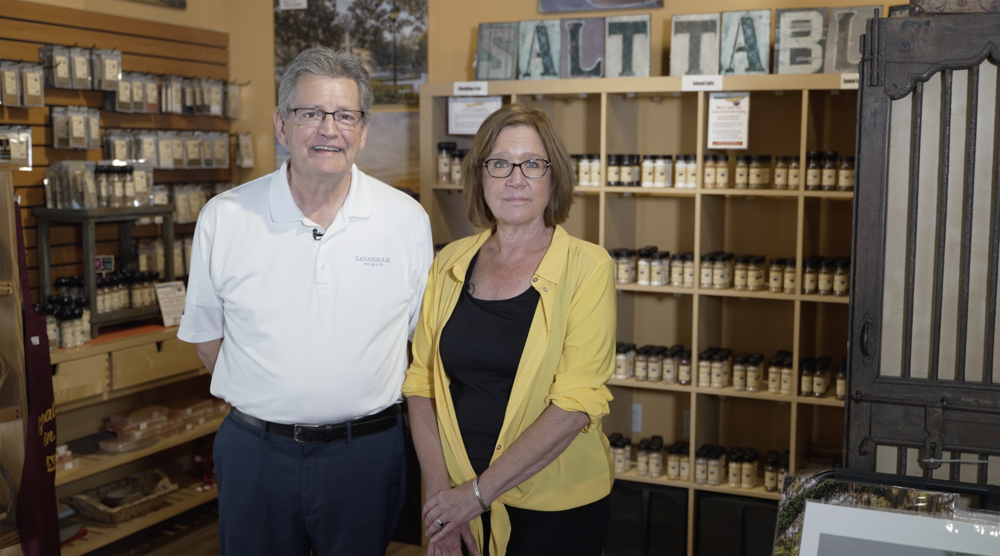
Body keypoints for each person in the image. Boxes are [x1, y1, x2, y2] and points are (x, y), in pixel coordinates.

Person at [177, 47, 433, 556]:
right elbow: (208, 339)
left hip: (366, 456)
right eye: (310, 113)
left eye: (344, 115)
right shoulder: (225, 217)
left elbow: (419, 342)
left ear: (363, 130)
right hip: (256, 454)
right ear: (282, 124)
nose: (328, 129)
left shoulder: (405, 220)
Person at [403, 102, 616, 556]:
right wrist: (444, 503)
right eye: (499, 164)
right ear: (480, 177)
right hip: (456, 493)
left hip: (555, 507)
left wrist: (476, 496)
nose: (515, 179)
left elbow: (577, 403)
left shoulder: (588, 266)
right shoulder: (450, 262)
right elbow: (421, 383)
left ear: (553, 176)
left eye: (532, 164)